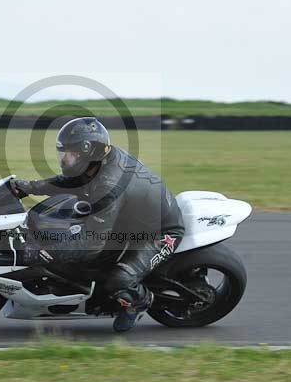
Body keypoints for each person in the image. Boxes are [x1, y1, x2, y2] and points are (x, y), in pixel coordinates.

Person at [11, 117, 185, 332]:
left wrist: (43, 253)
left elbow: (90, 244)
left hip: (160, 232)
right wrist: (27, 187)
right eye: (64, 152)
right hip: (129, 220)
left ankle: (138, 301)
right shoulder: (100, 161)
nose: (65, 159)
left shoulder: (108, 186)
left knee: (118, 280)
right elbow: (70, 181)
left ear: (89, 153)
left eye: (71, 153)